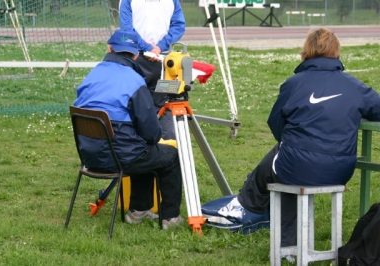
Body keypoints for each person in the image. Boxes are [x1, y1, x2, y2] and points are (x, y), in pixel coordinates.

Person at [219, 27, 380, 248]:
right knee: (287, 160)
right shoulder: (355, 86)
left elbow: (275, 123)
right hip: (340, 170)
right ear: (336, 52)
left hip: (296, 165)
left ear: (307, 51)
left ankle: (249, 207)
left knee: (284, 160)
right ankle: (258, 213)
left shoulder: (293, 84)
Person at [73, 29, 183, 229]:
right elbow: (151, 133)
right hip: (120, 159)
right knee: (168, 155)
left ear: (109, 48)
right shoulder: (134, 81)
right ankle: (170, 218)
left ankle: (138, 211)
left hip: (89, 156)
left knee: (145, 151)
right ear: (135, 55)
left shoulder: (92, 75)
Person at [119, 0, 186, 140]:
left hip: (165, 61)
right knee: (135, 102)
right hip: (136, 58)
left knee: (167, 101)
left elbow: (179, 25)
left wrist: (159, 47)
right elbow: (126, 28)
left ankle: (169, 147)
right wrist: (148, 48)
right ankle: (135, 143)